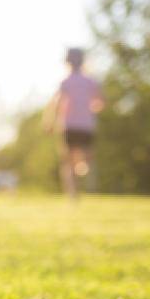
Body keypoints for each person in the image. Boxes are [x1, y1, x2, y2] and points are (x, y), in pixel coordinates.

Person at [44, 47, 104, 199]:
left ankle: (73, 193)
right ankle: (78, 183)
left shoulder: (67, 81)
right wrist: (92, 107)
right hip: (83, 125)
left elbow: (56, 104)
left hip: (71, 125)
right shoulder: (89, 81)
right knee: (82, 160)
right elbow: (100, 102)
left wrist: (50, 121)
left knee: (69, 162)